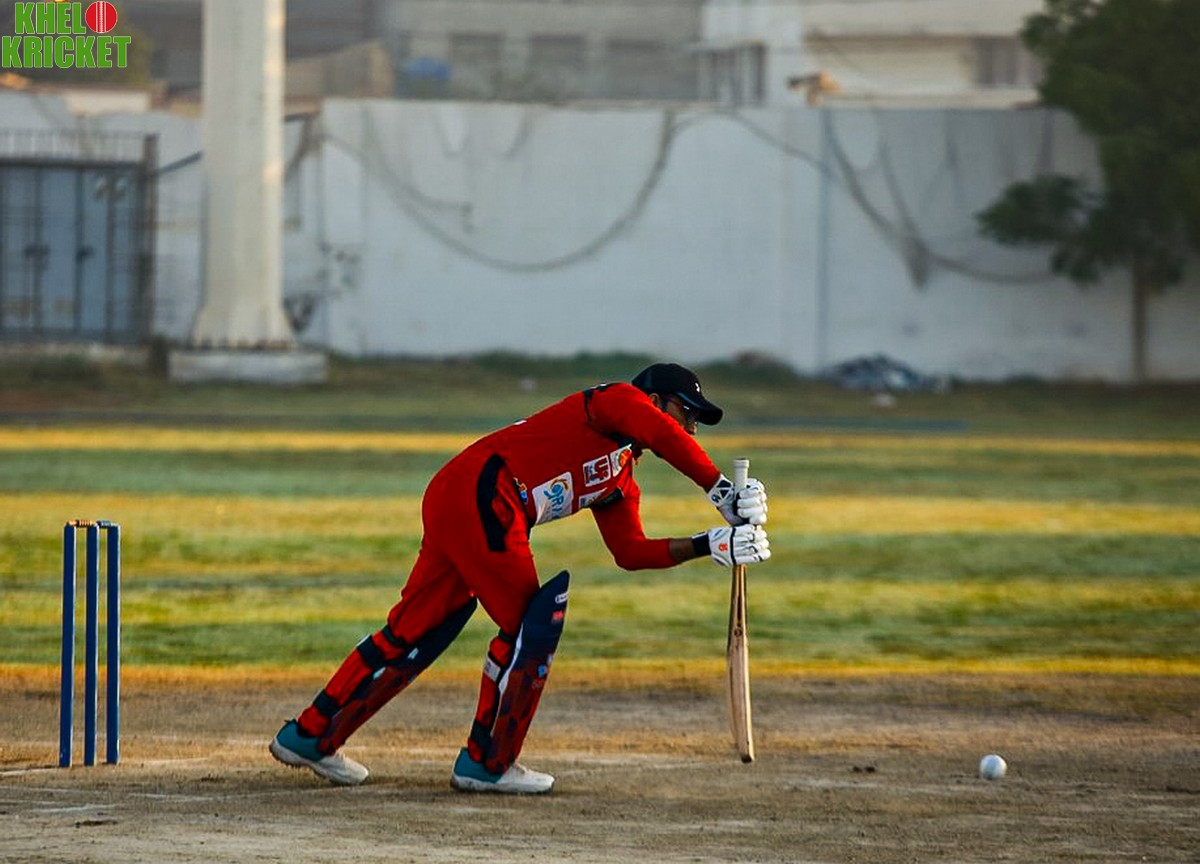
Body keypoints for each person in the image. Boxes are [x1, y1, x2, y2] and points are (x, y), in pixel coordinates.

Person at [269, 362, 771, 794]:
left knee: (417, 629)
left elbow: (630, 553)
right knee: (531, 631)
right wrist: (720, 490)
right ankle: (487, 764)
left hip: (461, 494)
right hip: (488, 494)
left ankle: (309, 737)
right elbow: (660, 433)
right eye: (688, 414)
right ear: (655, 400)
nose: (691, 430)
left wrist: (709, 544)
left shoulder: (620, 478)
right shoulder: (618, 400)